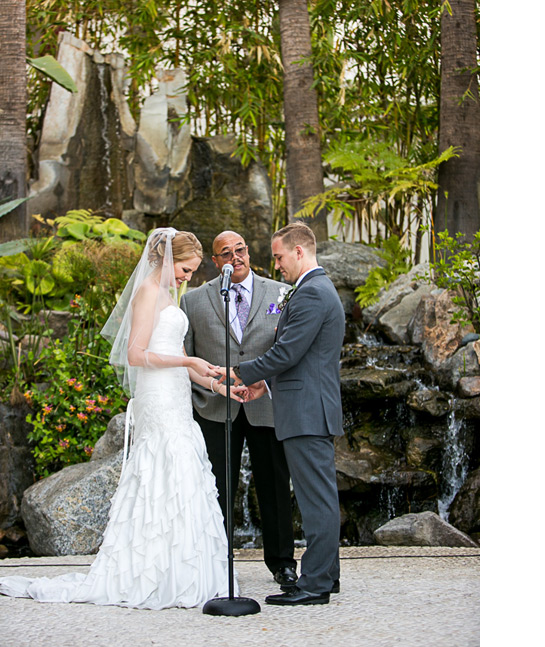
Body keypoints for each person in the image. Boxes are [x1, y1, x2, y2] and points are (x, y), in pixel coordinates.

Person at [0, 228, 245, 609]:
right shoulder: (148, 292)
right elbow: (135, 354)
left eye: (192, 272)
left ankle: (182, 569)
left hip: (176, 393)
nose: (188, 278)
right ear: (167, 260)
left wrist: (216, 381)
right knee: (163, 468)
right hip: (157, 397)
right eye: (185, 269)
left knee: (183, 472)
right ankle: (151, 572)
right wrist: (187, 360)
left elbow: (179, 356)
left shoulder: (170, 294)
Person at [224, 222, 344, 606]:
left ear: (298, 251)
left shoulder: (311, 293)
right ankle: (327, 575)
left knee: (315, 501)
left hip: (308, 411)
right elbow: (299, 358)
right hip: (305, 405)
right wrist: (266, 384)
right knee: (318, 497)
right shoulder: (312, 290)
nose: (275, 265)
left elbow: (287, 352)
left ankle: (315, 585)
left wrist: (242, 373)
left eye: (278, 256)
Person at [180, 230, 298, 591]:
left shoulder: (280, 293)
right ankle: (217, 564)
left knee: (275, 488)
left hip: (266, 406)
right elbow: (185, 358)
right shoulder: (194, 301)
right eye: (226, 253)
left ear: (249, 251)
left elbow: (288, 348)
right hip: (216, 409)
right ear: (215, 262)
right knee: (216, 489)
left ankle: (283, 565)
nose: (236, 257)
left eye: (240, 249)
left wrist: (263, 381)